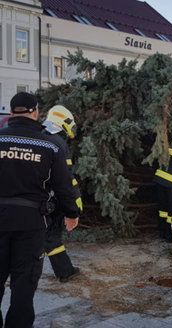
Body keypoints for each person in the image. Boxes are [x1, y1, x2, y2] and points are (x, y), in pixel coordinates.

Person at [0, 92, 79, 326]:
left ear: (12, 111)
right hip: (31, 225)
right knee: (23, 289)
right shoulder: (49, 146)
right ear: (35, 112)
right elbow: (64, 187)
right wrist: (72, 214)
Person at [42, 105, 82, 282]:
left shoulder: (36, 136)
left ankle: (65, 270)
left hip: (31, 197)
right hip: (52, 198)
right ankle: (65, 272)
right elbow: (66, 179)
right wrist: (73, 206)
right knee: (51, 235)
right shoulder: (58, 143)